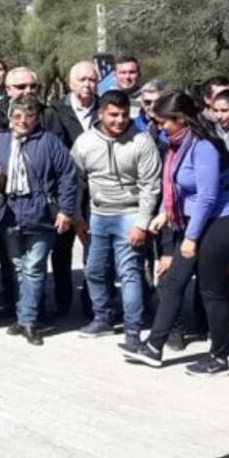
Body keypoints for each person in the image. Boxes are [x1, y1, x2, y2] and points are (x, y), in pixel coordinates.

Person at [122, 92, 229, 376]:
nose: (159, 127)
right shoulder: (176, 145)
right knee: (173, 281)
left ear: (181, 119)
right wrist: (167, 212)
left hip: (219, 222)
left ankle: (219, 356)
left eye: (163, 121)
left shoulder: (203, 147)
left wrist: (191, 238)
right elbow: (180, 188)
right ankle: (154, 346)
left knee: (211, 291)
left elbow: (206, 197)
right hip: (193, 219)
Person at [71, 90, 162, 349]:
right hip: (97, 214)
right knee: (94, 271)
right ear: (100, 113)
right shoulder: (85, 142)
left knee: (130, 273)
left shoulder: (142, 142)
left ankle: (132, 332)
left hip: (130, 214)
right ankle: (103, 318)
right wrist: (77, 217)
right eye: (113, 115)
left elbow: (150, 186)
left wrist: (141, 223)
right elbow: (75, 182)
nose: (120, 120)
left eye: (124, 114)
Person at [0, 96, 77, 346]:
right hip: (9, 214)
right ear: (10, 118)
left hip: (40, 214)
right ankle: (23, 314)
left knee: (34, 268)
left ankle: (29, 320)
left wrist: (66, 210)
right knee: (18, 267)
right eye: (17, 116)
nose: (22, 121)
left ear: (37, 118)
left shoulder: (49, 142)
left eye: (28, 116)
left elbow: (68, 176)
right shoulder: (0, 142)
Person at [51, 60, 101, 317]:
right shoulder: (55, 112)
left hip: (97, 194)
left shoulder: (105, 110)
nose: (87, 84)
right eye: (81, 79)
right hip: (64, 193)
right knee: (60, 250)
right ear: (70, 84)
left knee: (94, 250)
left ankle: (92, 302)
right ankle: (61, 301)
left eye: (92, 80)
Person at [0, 67, 64, 139]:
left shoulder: (48, 114)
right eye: (21, 87)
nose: (28, 91)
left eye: (33, 86)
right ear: (8, 90)